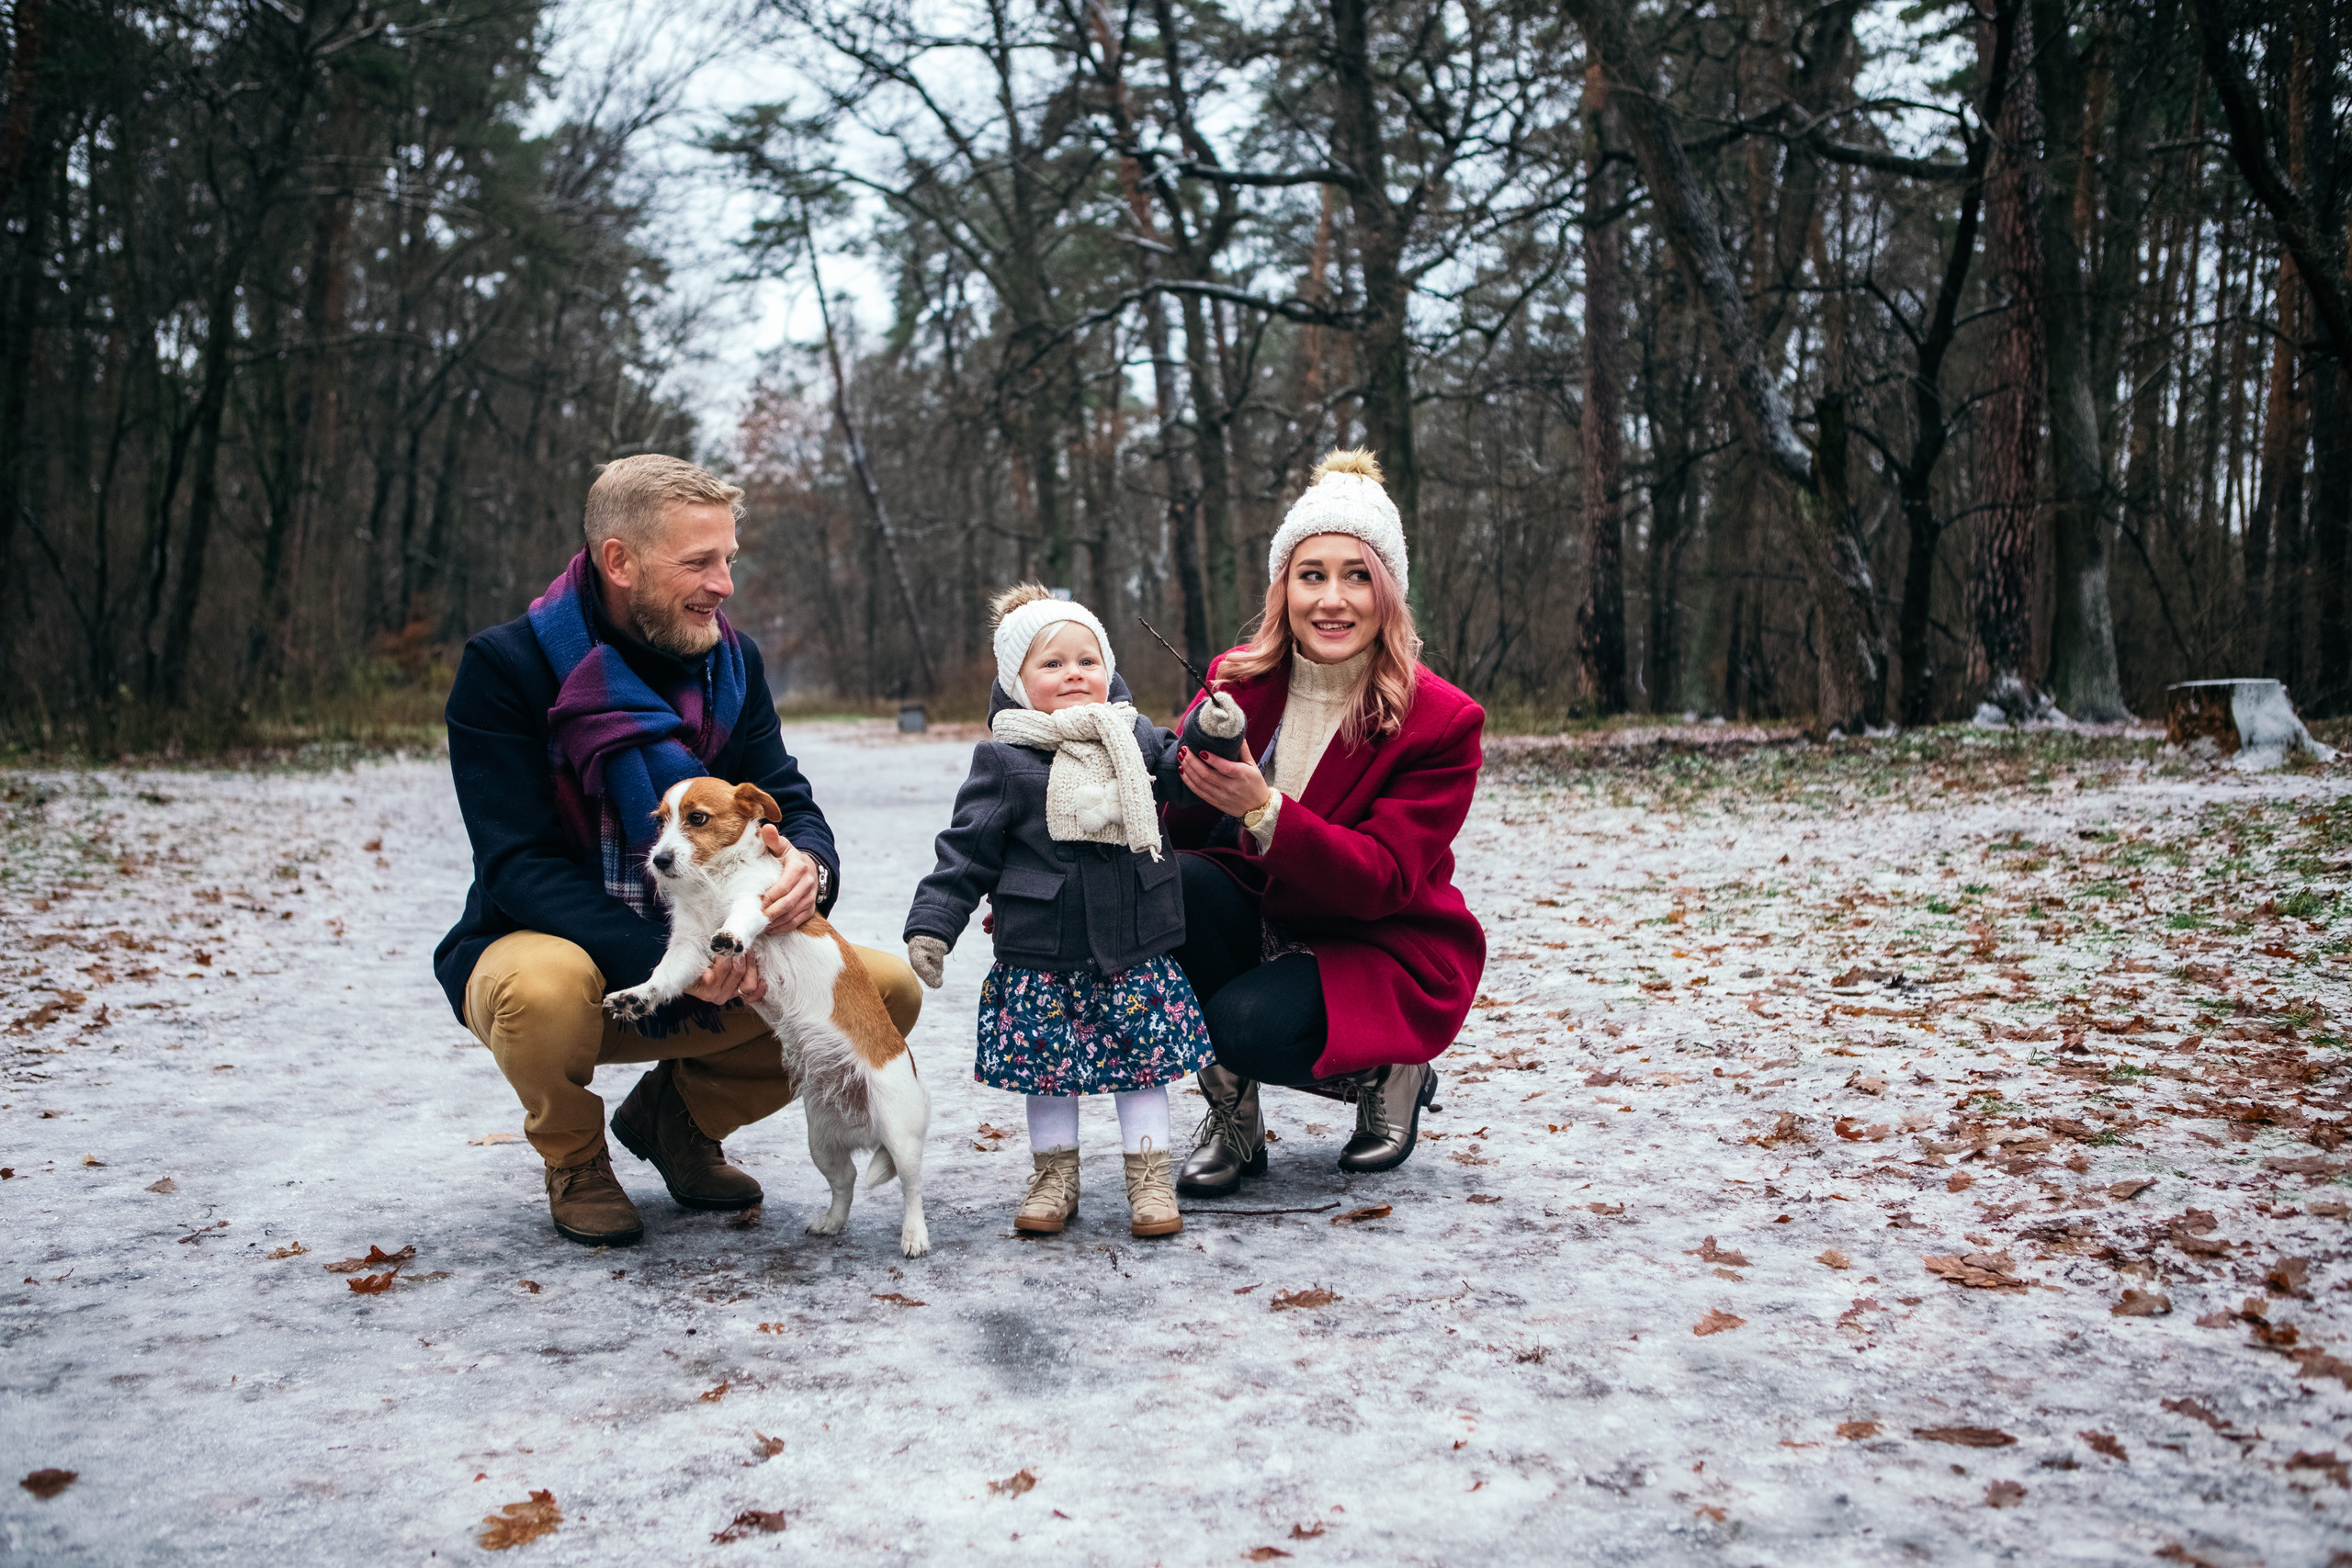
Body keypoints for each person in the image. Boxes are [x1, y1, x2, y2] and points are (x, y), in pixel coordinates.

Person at [434, 455, 923, 1247]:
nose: (723, 583)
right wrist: (679, 963)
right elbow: (517, 864)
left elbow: (787, 797)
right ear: (620, 561)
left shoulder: (734, 663)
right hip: (572, 954)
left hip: (708, 955)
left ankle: (678, 1121)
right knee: (542, 990)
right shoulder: (507, 667)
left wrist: (809, 867)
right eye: (699, 562)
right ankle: (576, 1159)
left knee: (888, 991)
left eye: (728, 558)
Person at [1164, 448, 1487, 1198]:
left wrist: (1262, 808)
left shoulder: (1441, 719)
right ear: (1284, 587)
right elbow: (1168, 821)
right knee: (1172, 887)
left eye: (1357, 576)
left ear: (1388, 591)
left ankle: (1392, 1069)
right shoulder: (1238, 681)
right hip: (1264, 909)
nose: (1332, 599)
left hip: (1375, 936)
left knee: (1242, 1025)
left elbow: (1383, 877)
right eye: (1312, 575)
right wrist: (1056, 877)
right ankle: (1235, 1118)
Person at [900, 586, 1246, 1238]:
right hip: (1043, 948)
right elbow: (967, 850)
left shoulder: (1135, 736)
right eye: (1052, 663)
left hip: (1133, 945)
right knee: (1049, 1075)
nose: (1073, 674)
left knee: (1142, 1068)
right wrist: (933, 924)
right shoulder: (1005, 759)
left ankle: (1149, 1177)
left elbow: (1182, 774)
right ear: (1017, 682)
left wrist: (1212, 731)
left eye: (1088, 660)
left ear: (1108, 669)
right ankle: (1054, 1176)